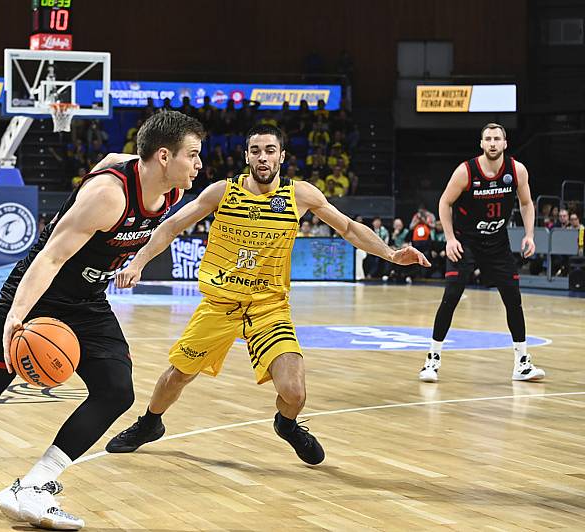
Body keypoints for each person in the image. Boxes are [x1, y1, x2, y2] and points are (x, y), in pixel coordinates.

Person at [0, 111, 206, 530]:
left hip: (86, 301)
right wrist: (16, 316)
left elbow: (116, 162)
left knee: (116, 390)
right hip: (39, 294)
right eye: (192, 155)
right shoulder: (109, 195)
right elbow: (51, 257)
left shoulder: (167, 189)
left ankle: (33, 487)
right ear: (163, 156)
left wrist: (137, 261)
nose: (198, 164)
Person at [104, 124, 428, 465]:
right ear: (246, 156)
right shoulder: (221, 192)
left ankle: (286, 424)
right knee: (179, 374)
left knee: (295, 392)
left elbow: (347, 228)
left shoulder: (300, 195)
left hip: (269, 307)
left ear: (282, 156)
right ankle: (150, 423)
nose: (262, 157)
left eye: (269, 150)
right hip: (221, 303)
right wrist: (137, 263)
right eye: (255, 150)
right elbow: (169, 225)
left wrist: (391, 254)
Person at [419, 123, 545, 383]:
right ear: (481, 143)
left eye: (497, 138)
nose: (492, 143)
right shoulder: (466, 171)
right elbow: (445, 202)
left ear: (505, 143)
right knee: (451, 295)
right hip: (466, 243)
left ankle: (522, 362)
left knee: (513, 299)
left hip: (497, 243)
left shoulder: (516, 170)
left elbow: (526, 203)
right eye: (487, 138)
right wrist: (450, 238)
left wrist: (530, 235)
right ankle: (432, 360)